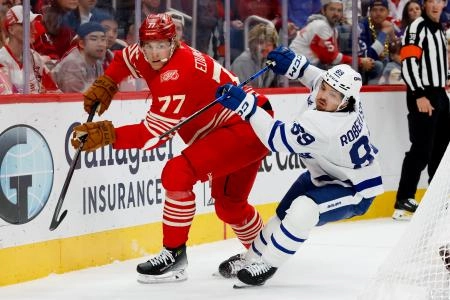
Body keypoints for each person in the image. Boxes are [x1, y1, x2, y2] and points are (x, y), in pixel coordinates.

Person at [70, 13, 273, 283]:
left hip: (246, 126)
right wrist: (107, 83)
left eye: (161, 45)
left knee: (178, 173)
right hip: (242, 122)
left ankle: (174, 256)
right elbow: (123, 59)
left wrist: (105, 135)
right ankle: (266, 255)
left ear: (174, 42)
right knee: (229, 206)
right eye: (149, 46)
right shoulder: (145, 52)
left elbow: (152, 135)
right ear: (142, 43)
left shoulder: (176, 74)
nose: (154, 53)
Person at [215, 46, 384, 286]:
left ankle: (267, 264)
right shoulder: (342, 99)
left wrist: (248, 107)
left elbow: (276, 138)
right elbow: (316, 79)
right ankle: (251, 257)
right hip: (324, 174)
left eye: (333, 94)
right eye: (325, 88)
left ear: (345, 102)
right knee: (283, 213)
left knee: (304, 209)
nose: (323, 95)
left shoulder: (328, 126)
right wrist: (297, 65)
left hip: (354, 188)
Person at [394, 0, 450, 221]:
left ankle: (437, 199)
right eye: (431, 1)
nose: (436, 5)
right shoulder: (417, 26)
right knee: (422, 149)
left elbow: (438, 65)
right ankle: (404, 198)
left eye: (440, 0)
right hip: (423, 94)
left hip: (440, 93)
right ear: (425, 4)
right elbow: (408, 62)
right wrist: (419, 95)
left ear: (444, 3)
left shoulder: (440, 30)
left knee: (441, 149)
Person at [290, 0, 374, 72]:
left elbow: (331, 57)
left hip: (304, 66)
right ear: (323, 10)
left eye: (339, 10)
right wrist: (359, 61)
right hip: (297, 68)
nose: (336, 13)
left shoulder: (331, 28)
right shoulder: (321, 25)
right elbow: (330, 58)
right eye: (332, 9)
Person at [0, 5, 59, 93]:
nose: (34, 30)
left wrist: (45, 93)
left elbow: (55, 91)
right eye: (26, 25)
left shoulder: (35, 57)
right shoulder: (1, 59)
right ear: (11, 30)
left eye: (33, 25)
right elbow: (7, 99)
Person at [51, 22, 107, 92]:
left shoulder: (97, 63)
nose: (100, 44)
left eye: (103, 39)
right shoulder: (72, 65)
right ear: (82, 44)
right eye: (94, 39)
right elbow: (74, 100)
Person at [231, 23, 279, 88]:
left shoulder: (271, 60)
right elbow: (246, 93)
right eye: (261, 43)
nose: (265, 48)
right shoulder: (243, 62)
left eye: (269, 44)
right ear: (252, 44)